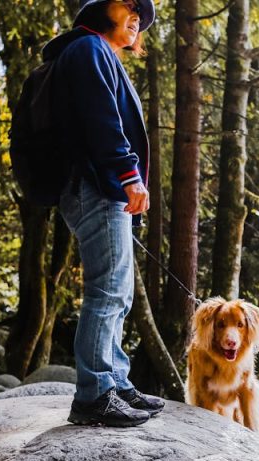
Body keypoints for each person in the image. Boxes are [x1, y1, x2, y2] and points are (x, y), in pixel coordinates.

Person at [44, 0, 164, 426]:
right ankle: (94, 395)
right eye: (128, 6)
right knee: (108, 290)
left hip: (96, 185)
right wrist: (129, 175)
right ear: (97, 9)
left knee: (119, 292)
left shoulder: (93, 52)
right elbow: (102, 121)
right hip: (95, 184)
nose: (138, 16)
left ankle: (114, 380)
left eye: (142, 15)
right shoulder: (89, 49)